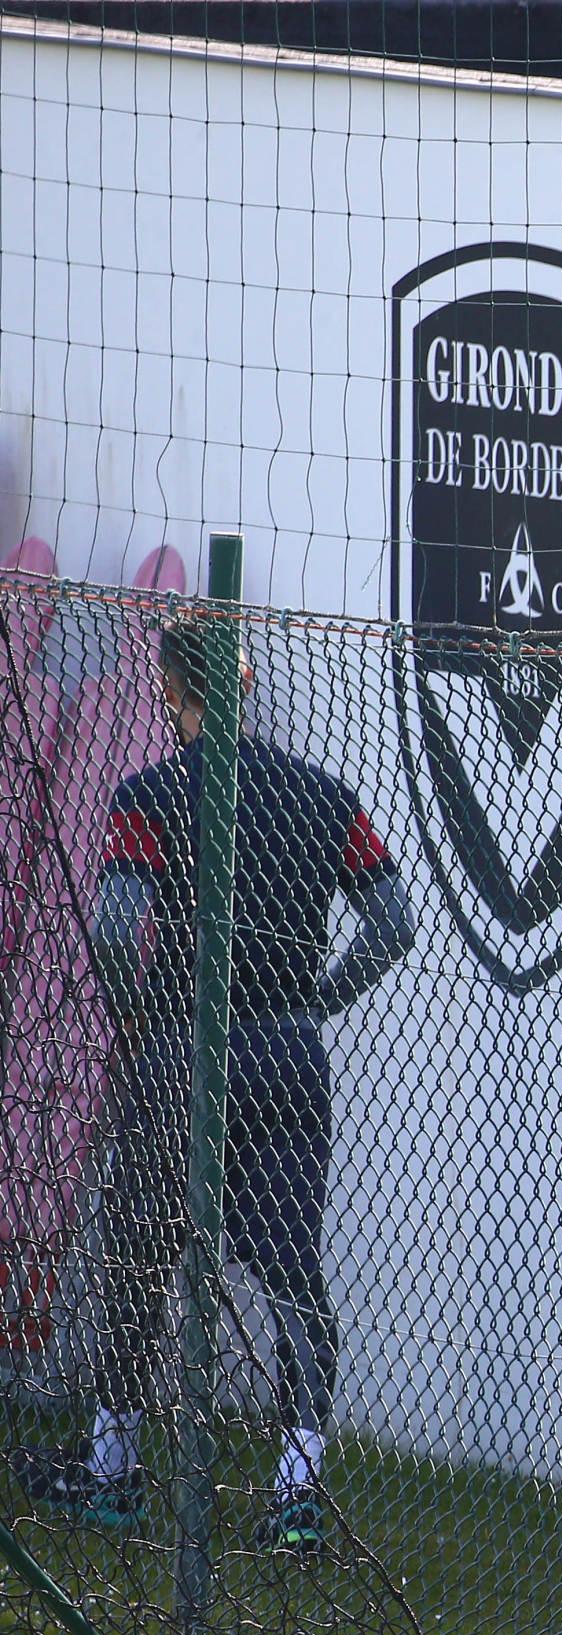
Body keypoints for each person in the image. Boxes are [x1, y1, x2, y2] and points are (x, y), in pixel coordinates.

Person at [13, 616, 416, 1552]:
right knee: (290, 1270)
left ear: (168, 691)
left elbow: (117, 928)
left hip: (181, 1053)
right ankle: (298, 1490)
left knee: (140, 1261)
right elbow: (394, 924)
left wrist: (144, 1018)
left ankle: (116, 1470)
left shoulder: (149, 795)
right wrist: (316, 999)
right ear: (244, 686)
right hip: (286, 1054)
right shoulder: (326, 796)